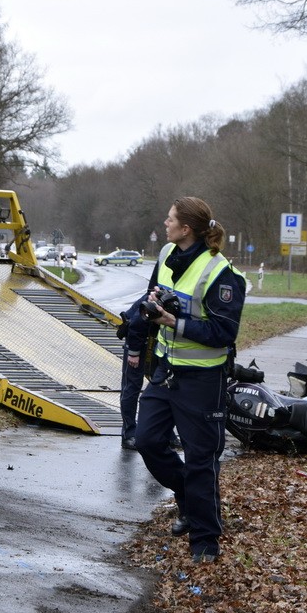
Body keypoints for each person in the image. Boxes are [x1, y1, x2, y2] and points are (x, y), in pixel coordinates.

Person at [134, 196, 246, 564]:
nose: (164, 223)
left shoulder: (220, 272)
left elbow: (223, 332)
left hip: (203, 380)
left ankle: (205, 540)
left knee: (201, 459)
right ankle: (188, 497)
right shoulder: (167, 253)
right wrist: (139, 316)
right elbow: (151, 296)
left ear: (187, 229)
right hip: (166, 372)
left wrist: (173, 321)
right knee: (148, 440)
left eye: (170, 220)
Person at [117, 298, 179, 452]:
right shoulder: (156, 300)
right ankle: (129, 434)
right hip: (136, 341)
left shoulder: (177, 302)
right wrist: (133, 353)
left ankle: (166, 434)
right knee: (132, 386)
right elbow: (137, 324)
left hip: (156, 344)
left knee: (160, 387)